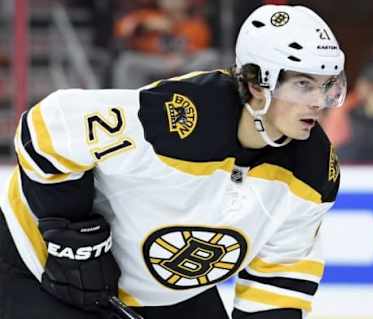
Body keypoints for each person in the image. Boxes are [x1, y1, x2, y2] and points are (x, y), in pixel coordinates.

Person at [0, 4, 345, 319]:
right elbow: (47, 129)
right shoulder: (177, 118)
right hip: (35, 265)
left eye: (327, 85)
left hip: (164, 296)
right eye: (304, 84)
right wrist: (74, 236)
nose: (319, 102)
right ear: (256, 83)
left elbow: (278, 282)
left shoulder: (314, 170)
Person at [113, 0, 219, 88]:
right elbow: (121, 30)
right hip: (155, 63)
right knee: (127, 61)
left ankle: (205, 103)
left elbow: (199, 50)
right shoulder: (147, 16)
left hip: (184, 65)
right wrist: (144, 26)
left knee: (211, 56)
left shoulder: (196, 25)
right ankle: (129, 104)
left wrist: (181, 58)